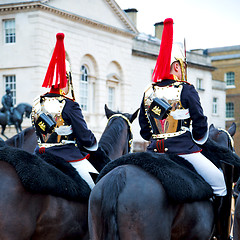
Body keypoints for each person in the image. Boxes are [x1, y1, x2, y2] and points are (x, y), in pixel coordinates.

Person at [139, 18, 227, 239]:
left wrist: (158, 137)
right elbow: (200, 123)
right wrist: (196, 139)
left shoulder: (148, 92)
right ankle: (222, 234)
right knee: (220, 183)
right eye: (182, 67)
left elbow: (143, 129)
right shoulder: (186, 89)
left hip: (153, 152)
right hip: (184, 151)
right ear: (177, 66)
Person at [32, 33, 99, 189]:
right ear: (66, 80)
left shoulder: (37, 103)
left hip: (39, 154)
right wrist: (92, 144)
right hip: (66, 155)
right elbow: (84, 137)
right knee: (97, 185)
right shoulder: (69, 105)